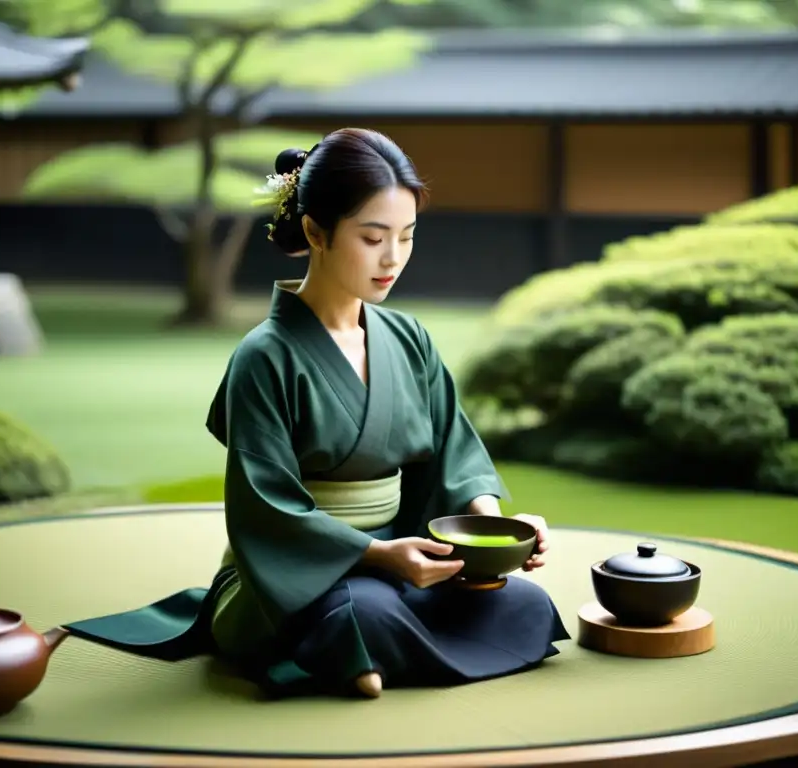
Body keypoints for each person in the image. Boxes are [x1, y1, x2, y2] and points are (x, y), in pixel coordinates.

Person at [63, 128, 570, 699]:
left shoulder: (409, 339)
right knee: (364, 611)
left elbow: (453, 453)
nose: (393, 258)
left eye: (407, 236)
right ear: (315, 231)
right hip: (298, 572)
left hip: (407, 553)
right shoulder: (265, 356)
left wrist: (494, 530)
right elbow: (265, 508)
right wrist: (378, 556)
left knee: (522, 602)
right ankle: (357, 646)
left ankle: (361, 659)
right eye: (373, 237)